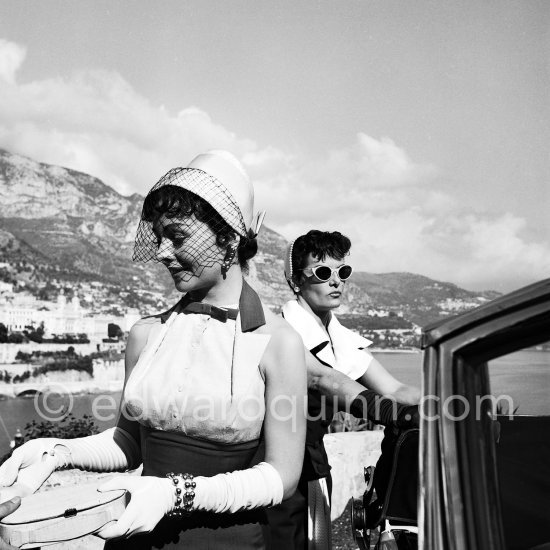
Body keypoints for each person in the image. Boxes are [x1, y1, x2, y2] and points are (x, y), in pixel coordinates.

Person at [0, 151, 307, 549]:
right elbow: (128, 443)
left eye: (177, 238)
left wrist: (173, 494)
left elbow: (282, 476)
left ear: (229, 238)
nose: (161, 252)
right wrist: (54, 451)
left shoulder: (278, 342)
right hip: (132, 535)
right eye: (159, 237)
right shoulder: (145, 334)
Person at [266, 230, 420, 549]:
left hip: (314, 462)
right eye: (323, 272)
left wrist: (449, 403)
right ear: (295, 281)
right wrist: (396, 414)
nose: (336, 281)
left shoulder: (340, 337)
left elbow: (393, 387)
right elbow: (324, 380)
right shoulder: (283, 331)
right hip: (277, 463)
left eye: (342, 272)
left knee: (317, 542)